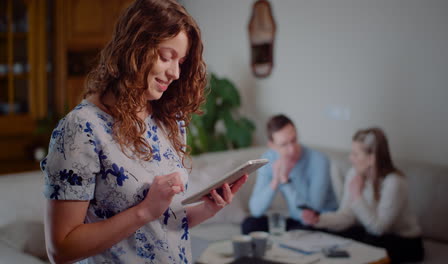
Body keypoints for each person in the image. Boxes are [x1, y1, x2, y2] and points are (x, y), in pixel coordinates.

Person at [40, 1, 248, 263]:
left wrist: (209, 208)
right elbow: (61, 248)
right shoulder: (81, 128)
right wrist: (144, 211)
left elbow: (165, 225)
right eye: (165, 56)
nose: (175, 72)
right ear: (134, 48)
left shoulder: (169, 121)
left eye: (181, 61)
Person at [311, 127, 424, 263]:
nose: (350, 158)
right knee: (333, 232)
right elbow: (346, 216)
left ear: (371, 158)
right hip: (371, 234)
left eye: (355, 154)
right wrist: (318, 219)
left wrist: (357, 195)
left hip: (404, 242)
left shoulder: (394, 182)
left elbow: (379, 229)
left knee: (367, 241)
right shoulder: (354, 173)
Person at [242, 114, 338, 234]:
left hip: (320, 220)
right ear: (272, 145)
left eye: (294, 140)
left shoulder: (319, 160)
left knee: (302, 228)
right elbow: (256, 210)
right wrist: (275, 181)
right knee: (250, 224)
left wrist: (285, 181)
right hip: (295, 217)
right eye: (284, 144)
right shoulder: (268, 158)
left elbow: (311, 211)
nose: (292, 149)